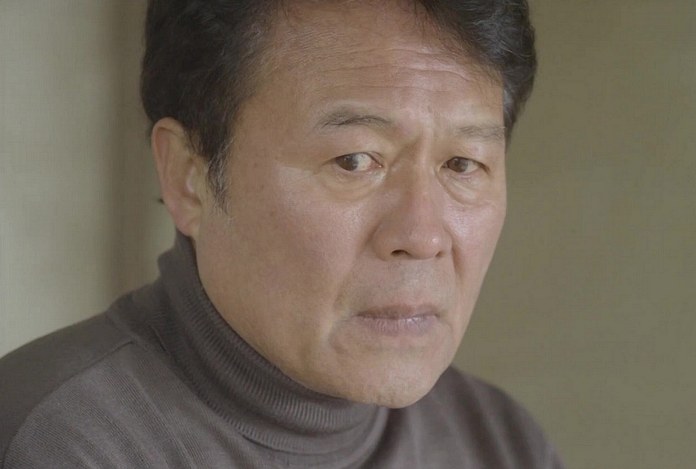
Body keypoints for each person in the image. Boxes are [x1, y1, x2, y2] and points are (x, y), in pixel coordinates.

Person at [0, 0, 561, 467]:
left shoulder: (500, 445)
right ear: (189, 177)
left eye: (463, 164)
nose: (422, 236)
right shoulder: (56, 441)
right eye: (354, 160)